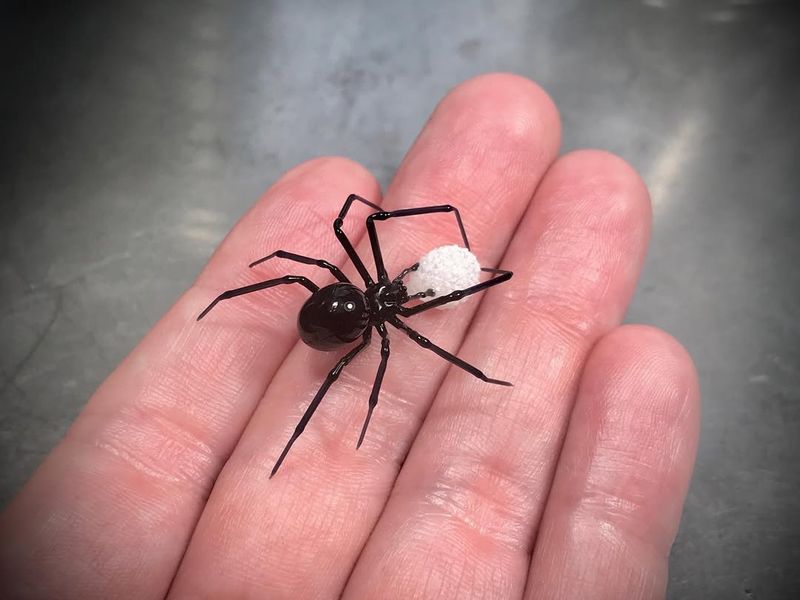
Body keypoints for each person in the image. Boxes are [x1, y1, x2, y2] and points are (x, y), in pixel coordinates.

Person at [0, 73, 699, 599]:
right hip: (334, 319)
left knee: (368, 310)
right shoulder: (383, 323)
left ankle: (420, 361)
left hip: (342, 310)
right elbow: (354, 236)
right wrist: (460, 357)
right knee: (359, 319)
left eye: (397, 290)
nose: (396, 293)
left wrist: (483, 277)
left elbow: (355, 230)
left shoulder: (383, 302)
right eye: (394, 290)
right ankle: (293, 437)